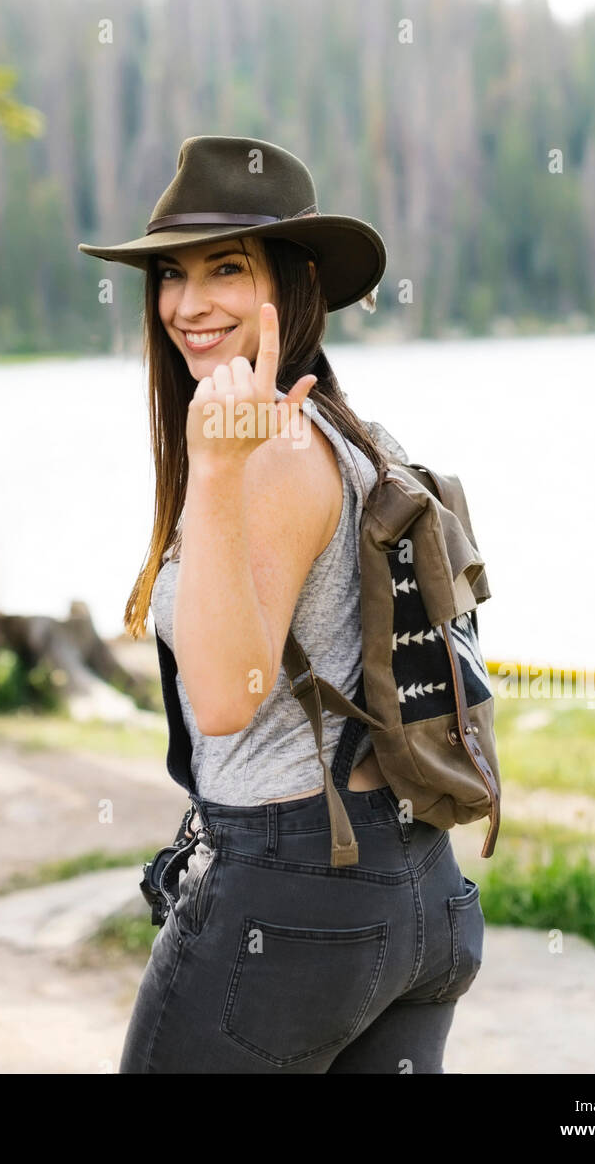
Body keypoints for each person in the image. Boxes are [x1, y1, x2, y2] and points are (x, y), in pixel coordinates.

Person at [78, 135, 485, 1073]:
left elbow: (225, 699)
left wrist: (217, 471)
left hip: (293, 900)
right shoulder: (352, 433)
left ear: (293, 283)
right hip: (418, 892)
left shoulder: (266, 457)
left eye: (226, 268)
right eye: (170, 275)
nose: (187, 304)